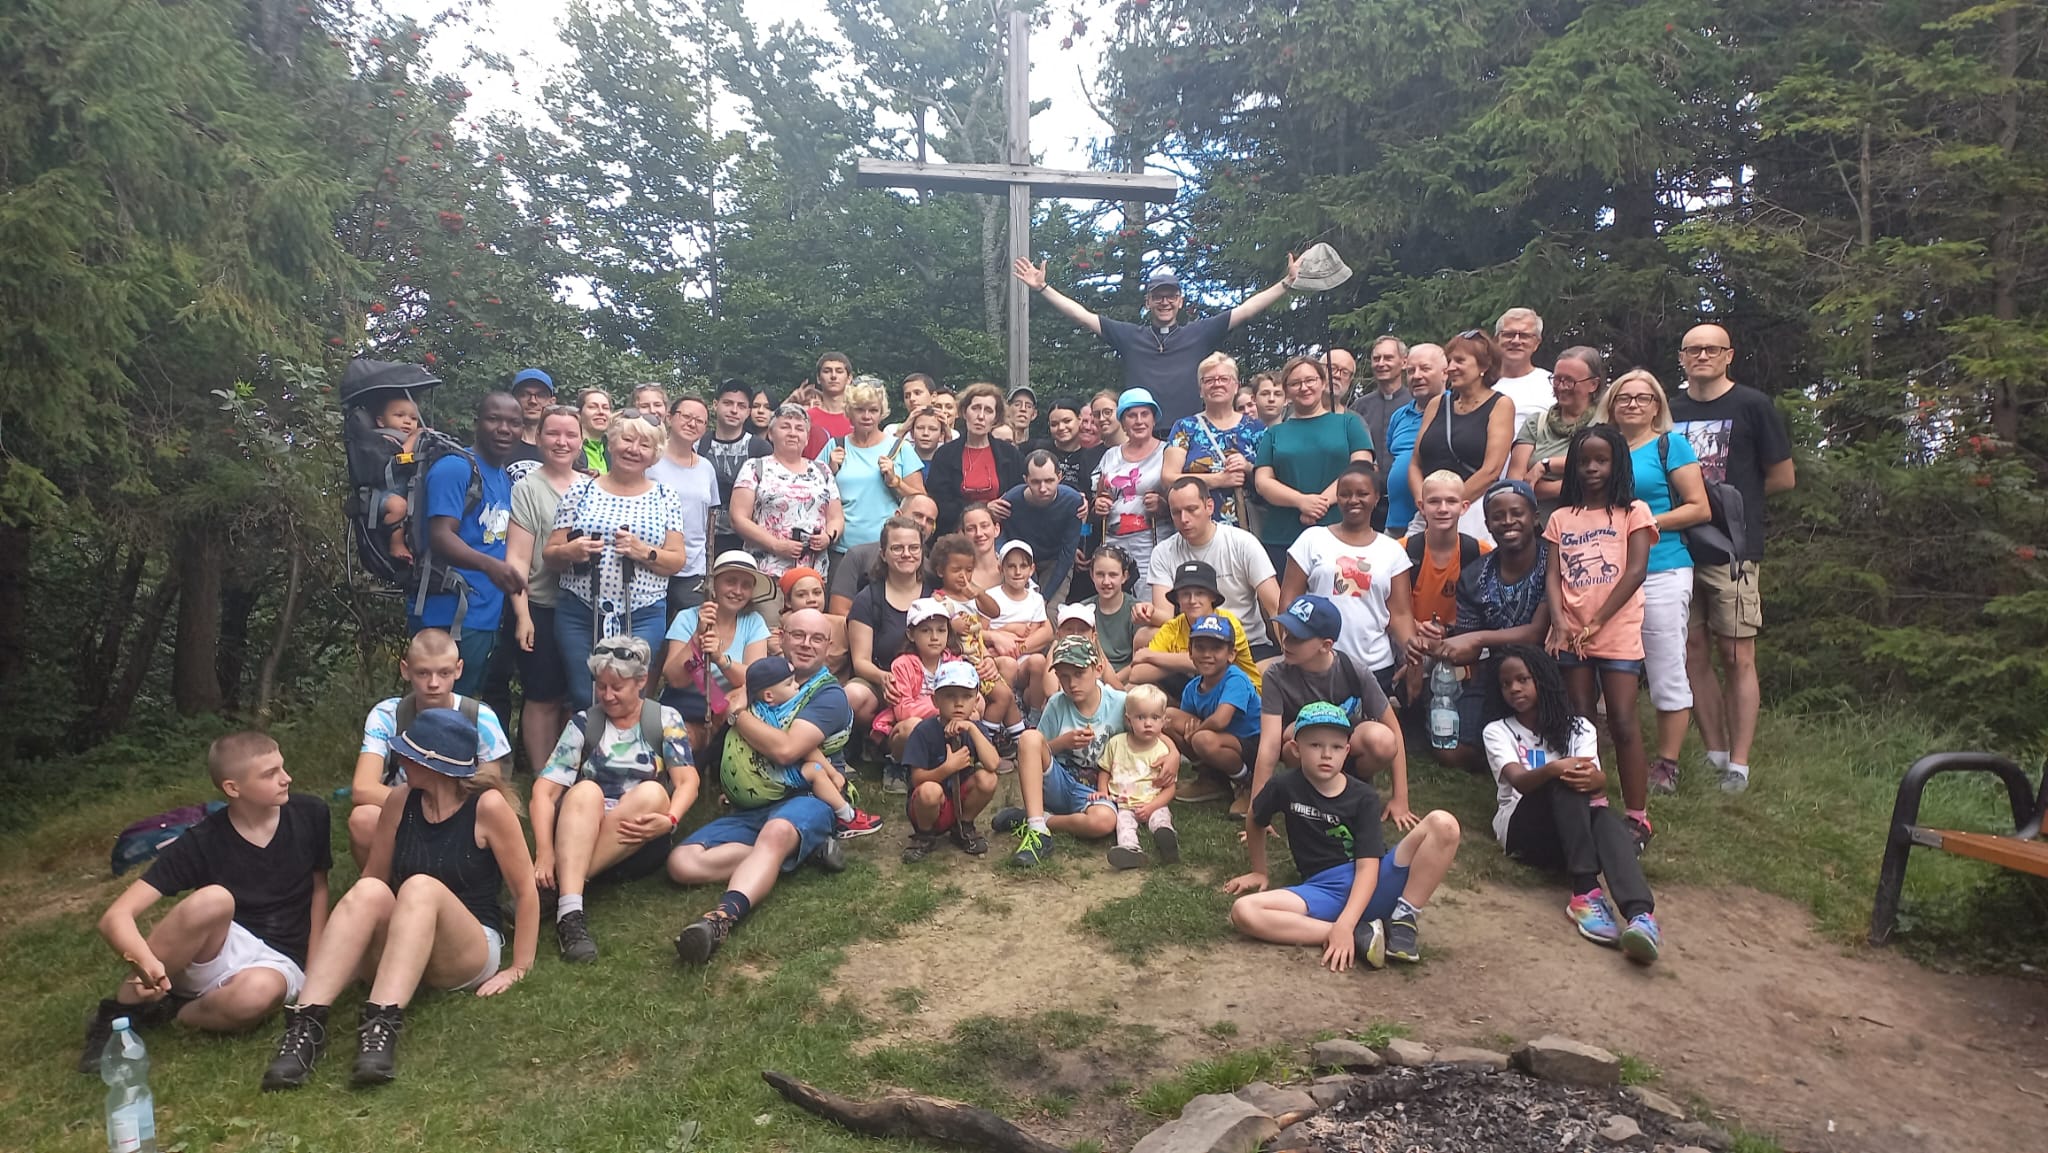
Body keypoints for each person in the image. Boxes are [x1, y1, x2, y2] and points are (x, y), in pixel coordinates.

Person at [261, 709, 538, 1090]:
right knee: (369, 890)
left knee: (420, 886)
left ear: (436, 765)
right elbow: (373, 877)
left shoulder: (487, 807)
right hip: (406, 938)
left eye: (409, 754)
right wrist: (344, 953)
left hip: (467, 947)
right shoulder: (401, 800)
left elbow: (525, 890)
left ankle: (380, 1027)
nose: (400, 759)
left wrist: (519, 966)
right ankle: (304, 1027)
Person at [81, 733, 329, 1071]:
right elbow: (116, 917)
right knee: (214, 898)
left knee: (255, 994)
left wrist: (316, 967)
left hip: (279, 959)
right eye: (270, 774)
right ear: (233, 788)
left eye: (282, 767)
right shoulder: (203, 840)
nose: (286, 778)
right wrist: (145, 962)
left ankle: (176, 1012)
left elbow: (318, 888)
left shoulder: (311, 814)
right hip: (218, 946)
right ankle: (118, 1016)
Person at [667, 610, 851, 964]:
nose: (806, 644)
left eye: (816, 638)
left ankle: (719, 919)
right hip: (754, 803)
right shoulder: (764, 681)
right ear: (781, 638)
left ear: (828, 647)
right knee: (681, 863)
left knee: (776, 832)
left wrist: (737, 714)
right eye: (798, 635)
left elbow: (786, 751)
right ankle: (799, 853)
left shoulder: (829, 695)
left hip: (807, 794)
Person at [1225, 700, 1462, 969]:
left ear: (1347, 751)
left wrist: (1346, 921)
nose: (1327, 754)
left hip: (1375, 882)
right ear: (1296, 749)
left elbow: (1368, 868)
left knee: (1444, 823)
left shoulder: (1364, 796)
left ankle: (1403, 920)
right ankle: (1357, 933)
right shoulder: (1283, 786)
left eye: (1336, 747)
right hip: (1323, 890)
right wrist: (1259, 871)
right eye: (1316, 745)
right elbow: (1255, 818)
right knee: (1243, 911)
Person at [1668, 323, 1794, 794]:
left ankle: (1739, 764)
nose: (1702, 356)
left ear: (1729, 355)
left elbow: (1781, 477)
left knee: (1737, 652)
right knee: (1692, 650)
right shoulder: (1670, 411)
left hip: (1732, 551)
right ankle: (1714, 752)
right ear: (1682, 357)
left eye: (1711, 349)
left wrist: (1733, 508)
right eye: (1693, 349)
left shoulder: (1753, 405)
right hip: (1678, 546)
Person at [1485, 646, 1661, 964]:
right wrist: (1555, 768)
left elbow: (1594, 781)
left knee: (1605, 818)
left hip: (1571, 836)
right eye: (1506, 684)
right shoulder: (1498, 731)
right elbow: (1520, 781)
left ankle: (1640, 917)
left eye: (1523, 679)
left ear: (1542, 680)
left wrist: (1598, 778)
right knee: (1563, 778)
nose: (1514, 689)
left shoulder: (1579, 728)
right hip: (1523, 831)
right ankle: (1585, 890)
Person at [531, 637, 698, 963]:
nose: (607, 695)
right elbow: (543, 791)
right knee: (585, 790)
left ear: (641, 681)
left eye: (617, 687)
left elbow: (687, 780)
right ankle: (570, 915)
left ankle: (556, 890)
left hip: (639, 837)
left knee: (653, 792)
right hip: (582, 828)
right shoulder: (583, 722)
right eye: (601, 686)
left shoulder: (665, 719)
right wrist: (544, 852)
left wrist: (670, 819)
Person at [1013, 257, 1302, 425]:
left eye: (1171, 296)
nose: (1165, 302)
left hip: (1190, 433)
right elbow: (1083, 316)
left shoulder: (1199, 332)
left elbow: (1246, 310)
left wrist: (1286, 284)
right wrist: (1043, 288)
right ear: (1148, 302)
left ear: (1180, 301)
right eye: (1158, 297)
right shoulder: (1130, 336)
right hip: (1143, 435)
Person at [1595, 371, 1710, 795]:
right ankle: (1602, 748)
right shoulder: (1602, 448)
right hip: (1607, 570)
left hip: (1662, 568)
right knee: (1603, 659)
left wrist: (1642, 524)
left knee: (1664, 663)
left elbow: (1698, 507)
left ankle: (1667, 763)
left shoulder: (1670, 445)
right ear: (1611, 405)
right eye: (1623, 397)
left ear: (1657, 406)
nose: (1632, 404)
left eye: (1643, 398)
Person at [1544, 423, 1658, 849]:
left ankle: (1637, 817)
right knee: (1581, 719)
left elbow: (1636, 571)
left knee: (1623, 721)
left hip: (1616, 631)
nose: (1592, 468)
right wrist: (1560, 621)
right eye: (1584, 461)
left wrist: (1598, 620)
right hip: (1572, 633)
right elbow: (1552, 576)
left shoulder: (1634, 512)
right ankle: (1594, 801)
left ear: (1617, 464)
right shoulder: (1561, 518)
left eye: (1601, 460)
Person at [543, 411, 690, 710]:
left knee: (630, 695)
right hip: (581, 609)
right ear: (611, 442)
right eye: (627, 439)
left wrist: (643, 551)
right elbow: (551, 554)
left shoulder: (666, 496)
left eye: (644, 445)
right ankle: (588, 741)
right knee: (585, 694)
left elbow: (677, 560)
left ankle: (629, 743)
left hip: (643, 611)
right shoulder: (580, 489)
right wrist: (571, 551)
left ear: (654, 454)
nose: (634, 449)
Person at [1410, 480, 1552, 772]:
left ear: (1535, 517)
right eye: (1498, 516)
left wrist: (1478, 639)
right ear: (1487, 524)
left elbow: (1536, 632)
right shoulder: (1475, 575)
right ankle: (1506, 756)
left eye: (1517, 513)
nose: (1508, 521)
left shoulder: (1552, 562)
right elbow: (1468, 646)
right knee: (1450, 750)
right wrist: (1437, 647)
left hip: (1550, 667)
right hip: (1496, 671)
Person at [349, 629, 513, 866]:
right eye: (423, 673)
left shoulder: (481, 718)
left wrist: (444, 813)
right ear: (405, 670)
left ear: (458, 669)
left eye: (444, 673)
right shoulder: (387, 714)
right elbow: (362, 788)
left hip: (461, 821)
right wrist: (421, 810)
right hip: (403, 812)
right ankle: (385, 883)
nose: (434, 684)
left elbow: (490, 788)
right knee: (362, 819)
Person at [1255, 595, 1414, 829]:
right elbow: (1269, 745)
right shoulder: (1275, 675)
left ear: (1326, 645)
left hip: (1346, 745)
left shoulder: (1353, 669)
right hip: (1300, 748)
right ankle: (1309, 791)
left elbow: (1394, 730)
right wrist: (1258, 811)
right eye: (1286, 632)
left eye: (1298, 637)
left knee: (1383, 740)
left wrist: (1401, 799)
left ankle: (1352, 785)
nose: (1287, 641)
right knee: (1290, 737)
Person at [411, 392, 525, 694]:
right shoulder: (456, 468)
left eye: (514, 423)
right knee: (436, 704)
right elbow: (440, 535)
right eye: (494, 419)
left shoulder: (502, 476)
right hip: (448, 612)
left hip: (484, 615)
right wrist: (491, 566)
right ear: (477, 423)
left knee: (461, 706)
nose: (504, 429)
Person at [1280, 463, 1414, 697]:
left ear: (1376, 498)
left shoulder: (1392, 550)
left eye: (1362, 494)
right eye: (1345, 494)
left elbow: (1400, 614)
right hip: (1318, 662)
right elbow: (1289, 600)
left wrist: (1412, 659)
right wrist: (1294, 645)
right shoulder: (1312, 539)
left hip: (1375, 665)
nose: (1353, 500)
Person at [993, 636, 1126, 867]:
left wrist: (1173, 755)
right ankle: (1037, 833)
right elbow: (1034, 751)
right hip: (1061, 782)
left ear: (1098, 669)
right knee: (1029, 737)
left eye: (1079, 673)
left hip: (1098, 791)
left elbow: (1153, 733)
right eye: (1063, 676)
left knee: (1103, 822)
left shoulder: (1120, 703)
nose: (1071, 683)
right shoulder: (1056, 703)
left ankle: (1037, 819)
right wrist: (1062, 743)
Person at [505, 406, 584, 774]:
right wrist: (522, 615)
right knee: (543, 695)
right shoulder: (527, 488)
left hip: (585, 608)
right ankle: (542, 777)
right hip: (541, 605)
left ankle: (572, 775)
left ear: (581, 441)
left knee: (577, 696)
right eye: (553, 433)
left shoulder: (593, 486)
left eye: (570, 434)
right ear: (538, 438)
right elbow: (518, 558)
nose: (561, 442)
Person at [1254, 355, 1375, 575]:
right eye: (1295, 383)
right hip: (1283, 537)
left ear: (1322, 382)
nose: (1304, 387)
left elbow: (1362, 467)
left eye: (1310, 380)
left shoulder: (1349, 423)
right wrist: (1301, 501)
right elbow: (1263, 482)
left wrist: (1319, 504)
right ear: (1286, 391)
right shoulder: (1274, 433)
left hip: (1341, 531)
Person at [745, 655, 881, 838]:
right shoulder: (780, 716)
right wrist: (833, 773)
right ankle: (847, 818)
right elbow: (806, 750)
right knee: (816, 770)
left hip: (755, 773)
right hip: (770, 776)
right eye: (789, 684)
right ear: (769, 695)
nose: (796, 686)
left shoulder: (753, 710)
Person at [1147, 476, 1281, 658]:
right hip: (1190, 646)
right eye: (1176, 512)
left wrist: (1289, 661)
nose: (1184, 519)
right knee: (1144, 637)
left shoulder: (1242, 543)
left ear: (1209, 506)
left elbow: (1275, 605)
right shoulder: (1163, 552)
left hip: (1246, 644)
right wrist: (1148, 612)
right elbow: (1165, 616)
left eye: (1191, 509)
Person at [845, 516, 938, 766]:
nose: (906, 554)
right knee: (852, 695)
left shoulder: (936, 592)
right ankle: (871, 740)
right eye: (897, 548)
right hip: (886, 682)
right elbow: (860, 661)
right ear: (883, 554)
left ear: (922, 552)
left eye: (914, 547)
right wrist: (883, 678)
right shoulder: (868, 599)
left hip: (930, 682)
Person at [661, 550, 774, 753]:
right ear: (714, 584)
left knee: (739, 701)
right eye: (730, 581)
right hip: (684, 704)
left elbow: (755, 679)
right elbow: (674, 679)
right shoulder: (687, 617)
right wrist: (697, 637)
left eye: (746, 585)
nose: (737, 591)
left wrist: (721, 660)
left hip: (729, 709)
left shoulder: (754, 622)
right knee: (682, 737)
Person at [1409, 330, 1516, 541]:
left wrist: (1449, 506)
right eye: (1449, 361)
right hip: (1428, 514)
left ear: (1484, 366)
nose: (1451, 367)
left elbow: (1491, 470)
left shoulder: (1501, 405)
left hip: (1472, 511)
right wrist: (1426, 503)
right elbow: (1415, 463)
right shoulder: (1436, 404)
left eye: (1459, 361)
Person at [1399, 471, 1492, 696]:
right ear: (1421, 507)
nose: (1443, 509)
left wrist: (1447, 629)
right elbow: (1387, 608)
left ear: (1464, 506)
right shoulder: (1401, 551)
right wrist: (1416, 627)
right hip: (1411, 649)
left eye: (1451, 501)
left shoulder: (1479, 552)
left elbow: (1487, 612)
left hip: (1461, 653)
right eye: (1434, 502)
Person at [900, 659, 1002, 863]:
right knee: (930, 790)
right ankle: (924, 836)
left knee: (988, 778)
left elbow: (993, 764)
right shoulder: (924, 731)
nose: (959, 703)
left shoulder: (975, 729)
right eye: (950, 696)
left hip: (959, 801)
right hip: (927, 805)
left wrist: (972, 728)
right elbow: (917, 779)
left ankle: (963, 827)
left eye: (966, 696)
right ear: (935, 700)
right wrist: (948, 768)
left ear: (976, 700)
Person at [730, 403, 844, 579]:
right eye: (785, 427)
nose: (792, 433)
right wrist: (775, 545)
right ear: (771, 434)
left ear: (807, 438)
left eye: (799, 429)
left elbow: (836, 517)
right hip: (767, 573)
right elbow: (738, 518)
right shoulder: (755, 467)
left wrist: (828, 537)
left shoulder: (822, 470)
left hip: (812, 576)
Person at [825, 376, 926, 567]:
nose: (866, 416)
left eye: (873, 410)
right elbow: (812, 494)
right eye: (860, 410)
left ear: (882, 413)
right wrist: (830, 470)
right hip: (841, 549)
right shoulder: (835, 446)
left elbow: (922, 501)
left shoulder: (900, 448)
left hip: (888, 549)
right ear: (849, 411)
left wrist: (895, 481)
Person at [1163, 614, 1261, 809]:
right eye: (1200, 647)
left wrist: (1196, 733)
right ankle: (1212, 779)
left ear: (1231, 654)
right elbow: (1187, 725)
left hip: (1253, 744)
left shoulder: (1236, 678)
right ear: (1190, 651)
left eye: (1216, 648)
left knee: (1202, 739)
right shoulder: (1192, 687)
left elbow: (1220, 720)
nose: (1207, 654)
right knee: (1168, 718)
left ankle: (1248, 782)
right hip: (1219, 740)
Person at [1162, 352, 1265, 531]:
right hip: (1197, 528)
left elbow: (1272, 477)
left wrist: (1248, 467)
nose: (1217, 384)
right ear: (1200, 390)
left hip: (1247, 528)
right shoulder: (1185, 427)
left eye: (1224, 379)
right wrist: (1218, 480)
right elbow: (1168, 478)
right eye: (1209, 380)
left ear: (1236, 386)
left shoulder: (1256, 428)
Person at [1129, 560, 1260, 699]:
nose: (1192, 600)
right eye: (1185, 594)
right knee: (1143, 693)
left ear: (1212, 596)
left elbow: (1211, 662)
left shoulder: (1228, 623)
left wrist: (1151, 656)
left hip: (1243, 695)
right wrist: (1181, 663)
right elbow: (1136, 674)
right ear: (1177, 599)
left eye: (1200, 593)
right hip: (1199, 692)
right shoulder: (1173, 626)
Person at [1511, 346, 1605, 517]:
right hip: (1538, 524)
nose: (1561, 387)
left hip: (1591, 523)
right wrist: (1573, 483)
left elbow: (1609, 469)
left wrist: (1545, 465)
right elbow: (1516, 481)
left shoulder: (1606, 422)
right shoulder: (1536, 423)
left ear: (1593, 384)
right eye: (1556, 379)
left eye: (1569, 381)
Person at [647, 394, 720, 609]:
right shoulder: (649, 460)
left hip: (693, 568)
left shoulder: (706, 468)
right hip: (652, 560)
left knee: (693, 626)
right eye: (686, 416)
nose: (692, 424)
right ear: (669, 417)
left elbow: (710, 518)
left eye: (699, 421)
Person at [1098, 683, 1178, 868]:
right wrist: (1103, 792)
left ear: (1163, 721)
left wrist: (1152, 807)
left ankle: (1167, 841)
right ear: (1129, 719)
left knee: (1161, 818)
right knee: (1124, 826)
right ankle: (1130, 850)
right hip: (1124, 805)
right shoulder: (1116, 744)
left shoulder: (1163, 751)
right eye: (1141, 717)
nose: (1148, 723)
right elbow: (1105, 770)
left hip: (1153, 801)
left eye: (1155, 717)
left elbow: (1170, 788)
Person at [927, 382, 1025, 533]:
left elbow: (1020, 497)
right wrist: (985, 508)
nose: (981, 416)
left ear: (996, 418)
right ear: (964, 412)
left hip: (1001, 531)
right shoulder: (945, 455)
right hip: (957, 531)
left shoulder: (1010, 454)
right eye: (976, 408)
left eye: (988, 410)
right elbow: (939, 502)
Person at [1094, 387, 1170, 581]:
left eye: (1145, 414)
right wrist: (1099, 504)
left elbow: (1182, 495)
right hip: (1113, 541)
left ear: (1154, 419)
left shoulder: (1168, 452)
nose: (1139, 421)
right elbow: (1099, 494)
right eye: (1131, 416)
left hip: (1152, 541)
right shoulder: (1110, 455)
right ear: (1122, 422)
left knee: (1148, 595)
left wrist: (1164, 505)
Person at [990, 450, 1086, 596]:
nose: (1042, 488)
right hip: (1020, 560)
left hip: (1056, 560)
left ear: (1059, 477)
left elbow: (1068, 553)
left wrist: (1046, 597)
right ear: (1026, 479)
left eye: (1049, 481)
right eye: (1035, 482)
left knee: (1052, 608)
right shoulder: (1010, 501)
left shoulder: (1072, 502)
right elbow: (999, 535)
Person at [699, 380, 773, 557]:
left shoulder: (760, 449)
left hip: (746, 540)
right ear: (715, 405)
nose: (734, 410)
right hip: (703, 537)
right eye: (728, 403)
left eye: (741, 406)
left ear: (748, 412)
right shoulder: (699, 445)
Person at [873, 597, 956, 755]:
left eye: (941, 630)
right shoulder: (902, 665)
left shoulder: (955, 663)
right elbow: (904, 712)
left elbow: (972, 701)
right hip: (908, 728)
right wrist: (946, 707)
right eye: (925, 630)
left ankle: (957, 760)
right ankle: (902, 763)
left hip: (945, 724)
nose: (934, 637)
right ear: (911, 634)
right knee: (913, 725)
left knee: (973, 713)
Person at [830, 493, 935, 611]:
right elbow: (838, 611)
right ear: (897, 515)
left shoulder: (931, 570)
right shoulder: (858, 556)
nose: (923, 524)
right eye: (918, 515)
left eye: (930, 521)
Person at [1383, 344, 1446, 533]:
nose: (1416, 376)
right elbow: (1395, 457)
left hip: (1437, 523)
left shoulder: (1456, 410)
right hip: (1395, 524)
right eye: (1411, 371)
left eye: (1425, 369)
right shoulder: (1399, 415)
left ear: (1445, 373)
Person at [1351, 336, 1413, 526]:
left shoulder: (1416, 403)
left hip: (1408, 500)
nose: (1381, 363)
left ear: (1404, 362)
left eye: (1388, 358)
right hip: (1367, 505)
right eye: (1376, 358)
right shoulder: (1360, 407)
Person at [986, 541, 1052, 683]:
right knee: (1009, 664)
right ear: (1001, 568)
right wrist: (1009, 629)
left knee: (1039, 660)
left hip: (1025, 658)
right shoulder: (990, 597)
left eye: (1023, 566)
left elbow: (1034, 632)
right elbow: (982, 630)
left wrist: (1013, 645)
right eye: (1011, 566)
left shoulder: (1036, 599)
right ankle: (1009, 696)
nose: (1017, 572)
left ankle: (1033, 698)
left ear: (1032, 569)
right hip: (998, 657)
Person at [373, 394, 423, 561]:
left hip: (407, 492)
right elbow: (399, 457)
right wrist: (414, 438)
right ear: (381, 421)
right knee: (399, 506)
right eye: (399, 415)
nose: (407, 421)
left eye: (413, 418)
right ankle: (396, 544)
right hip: (383, 494)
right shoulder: (383, 439)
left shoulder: (411, 441)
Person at [1084, 546, 1144, 674]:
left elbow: (1140, 659)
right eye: (1100, 574)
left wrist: (1113, 682)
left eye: (1113, 575)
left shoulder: (1136, 610)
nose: (1106, 581)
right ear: (1091, 575)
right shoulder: (1082, 609)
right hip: (1091, 675)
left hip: (1127, 677)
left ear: (1124, 576)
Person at [1492, 308, 1554, 428]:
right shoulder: (1479, 383)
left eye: (1524, 336)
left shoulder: (1552, 384)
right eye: (1509, 334)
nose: (1516, 341)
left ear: (1536, 343)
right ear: (1496, 340)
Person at [1034, 398, 1107, 498]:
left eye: (1067, 421)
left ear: (1079, 420)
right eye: (1054, 424)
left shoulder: (1094, 457)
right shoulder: (1038, 450)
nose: (1061, 427)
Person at [802, 351, 854, 458]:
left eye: (839, 371)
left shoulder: (859, 417)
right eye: (827, 371)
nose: (833, 376)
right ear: (818, 378)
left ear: (849, 378)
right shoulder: (805, 418)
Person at [508, 368, 556, 466]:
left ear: (552, 402)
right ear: (513, 399)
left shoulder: (563, 447)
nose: (533, 401)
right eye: (524, 394)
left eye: (541, 395)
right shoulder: (500, 443)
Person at [575, 387, 613, 473]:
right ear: (579, 413)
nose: (601, 412)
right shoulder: (570, 447)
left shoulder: (615, 449)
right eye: (593, 407)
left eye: (605, 408)